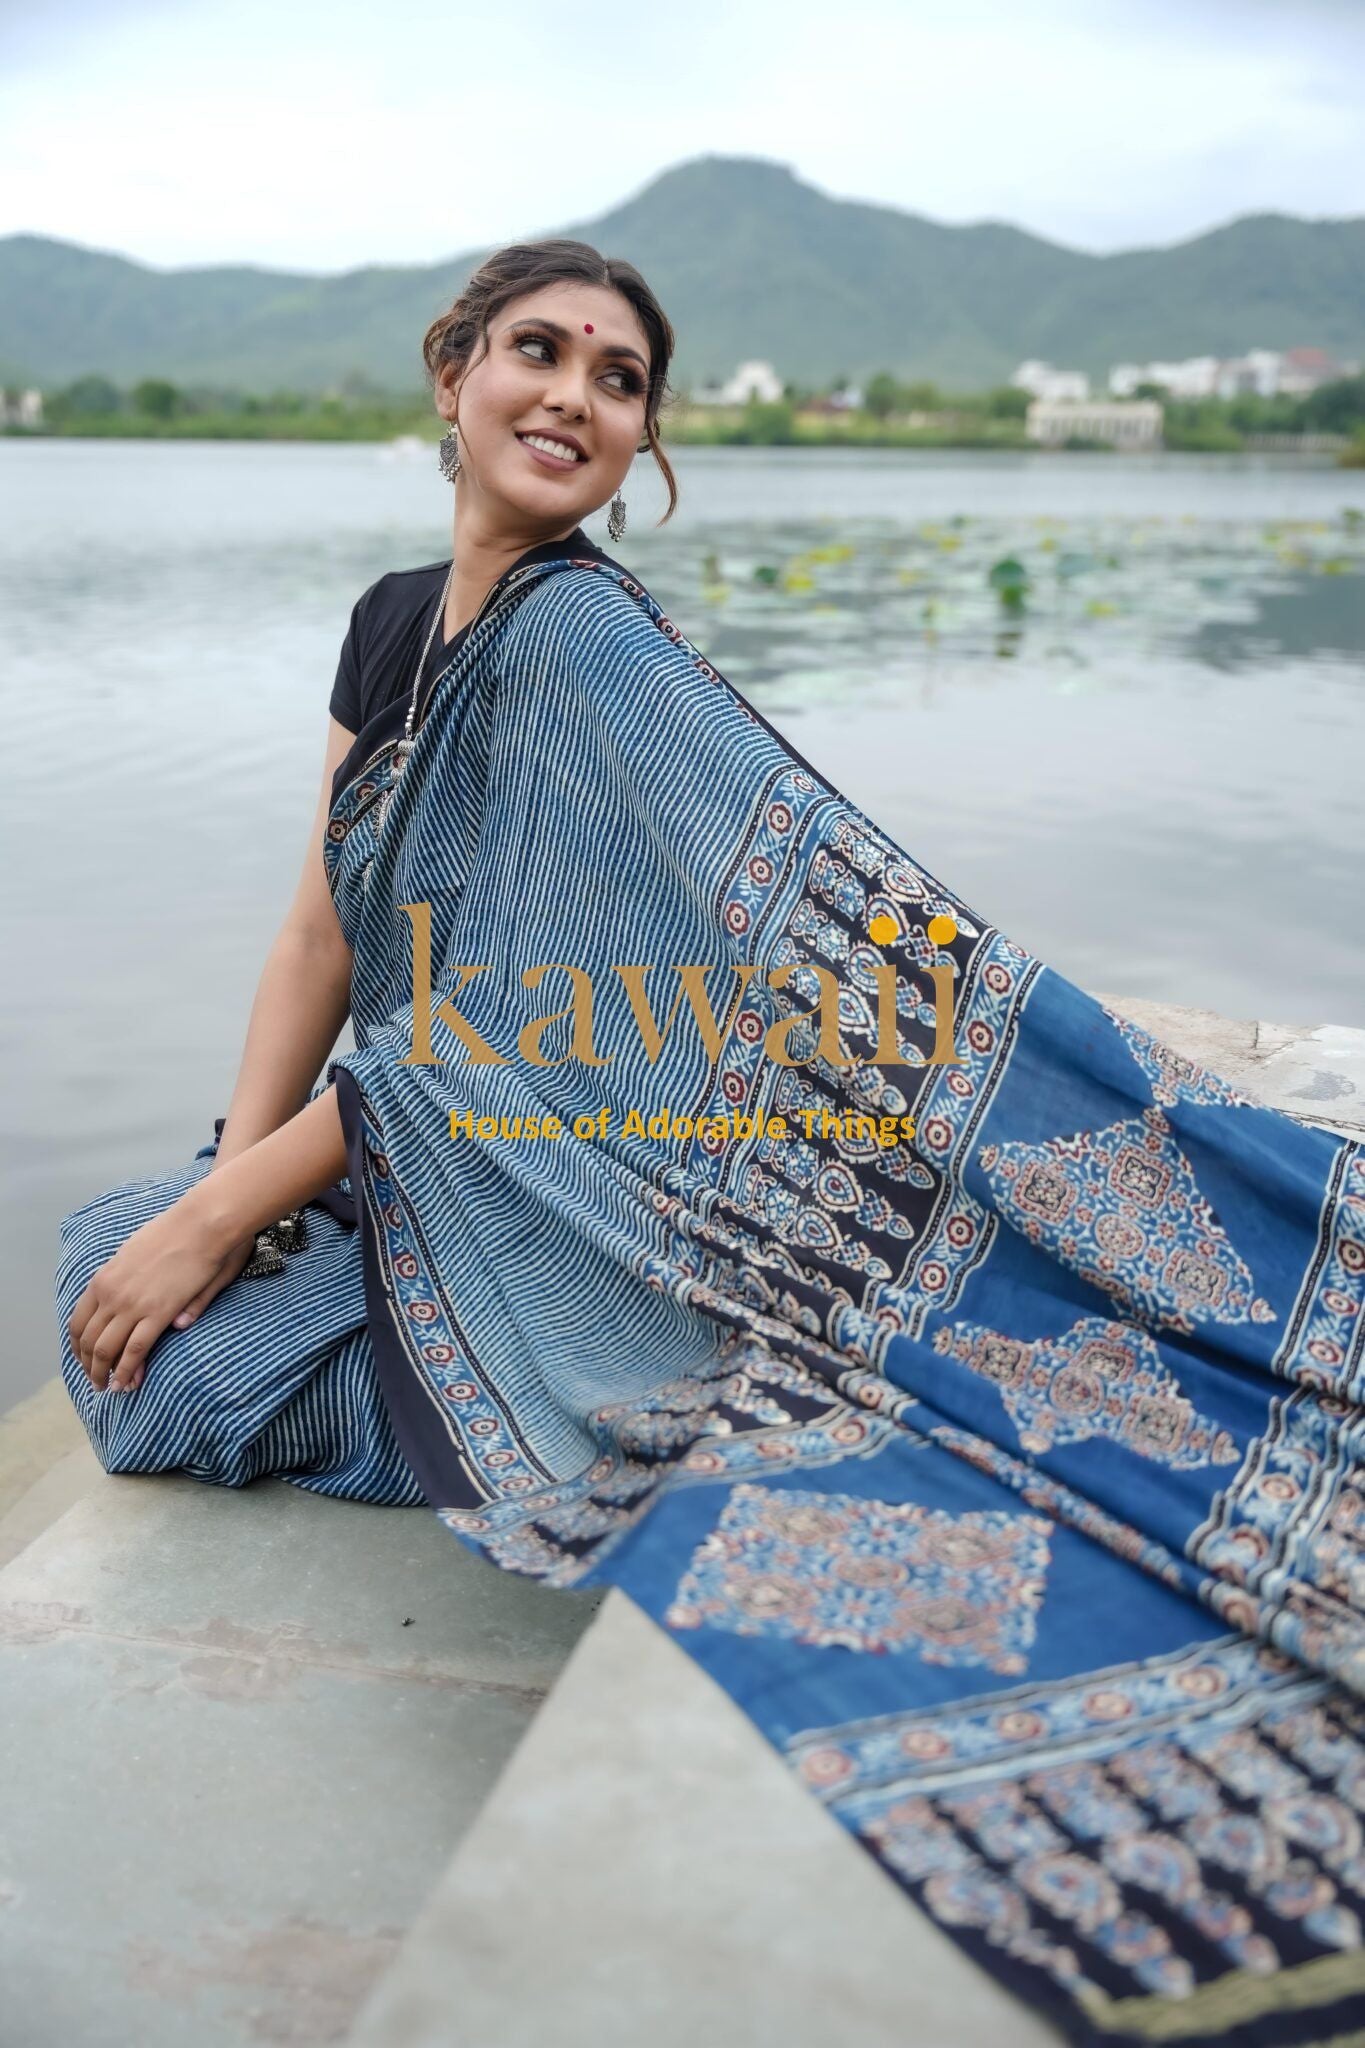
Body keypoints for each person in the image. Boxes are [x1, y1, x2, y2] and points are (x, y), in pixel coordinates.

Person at [55, 240, 1365, 2047]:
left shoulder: (585, 647)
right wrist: (230, 1173)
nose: (573, 396)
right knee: (107, 1264)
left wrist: (234, 1215)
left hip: (600, 1176)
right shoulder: (388, 620)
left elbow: (521, 1046)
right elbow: (320, 936)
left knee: (182, 1368)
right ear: (451, 378)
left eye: (616, 378)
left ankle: (460, 1362)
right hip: (422, 1152)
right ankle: (362, 1304)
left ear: (640, 439)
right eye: (538, 351)